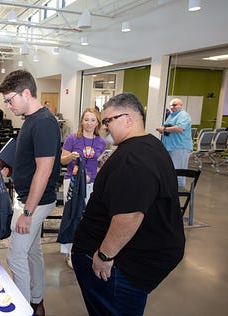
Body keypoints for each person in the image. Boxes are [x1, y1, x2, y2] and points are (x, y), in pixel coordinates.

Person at [72, 93, 185, 316]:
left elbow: (129, 215)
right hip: (134, 260)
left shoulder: (134, 157)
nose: (104, 128)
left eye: (108, 121)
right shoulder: (150, 145)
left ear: (129, 118)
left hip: (120, 266)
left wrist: (105, 255)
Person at [0, 70, 61, 316]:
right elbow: (33, 160)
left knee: (15, 257)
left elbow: (44, 172)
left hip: (35, 203)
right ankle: (36, 299)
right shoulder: (31, 120)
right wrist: (10, 166)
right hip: (29, 200)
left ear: (26, 93)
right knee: (32, 251)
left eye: (9, 99)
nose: (8, 105)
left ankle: (23, 309)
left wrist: (27, 212)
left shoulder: (44, 122)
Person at [60, 107, 106, 269]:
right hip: (72, 183)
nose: (89, 123)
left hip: (91, 183)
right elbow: (62, 161)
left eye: (93, 120)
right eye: (86, 119)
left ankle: (82, 250)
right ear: (82, 121)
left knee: (87, 218)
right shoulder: (73, 138)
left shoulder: (101, 142)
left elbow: (99, 164)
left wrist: (103, 163)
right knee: (73, 216)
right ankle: (70, 252)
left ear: (97, 122)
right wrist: (70, 156)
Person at [156, 97, 193, 187]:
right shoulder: (171, 115)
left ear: (181, 105)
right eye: (171, 105)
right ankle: (171, 190)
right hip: (170, 147)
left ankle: (179, 191)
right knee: (171, 171)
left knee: (178, 172)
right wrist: (164, 130)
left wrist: (164, 129)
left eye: (174, 105)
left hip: (180, 147)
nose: (172, 107)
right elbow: (169, 128)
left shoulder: (184, 115)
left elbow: (180, 128)